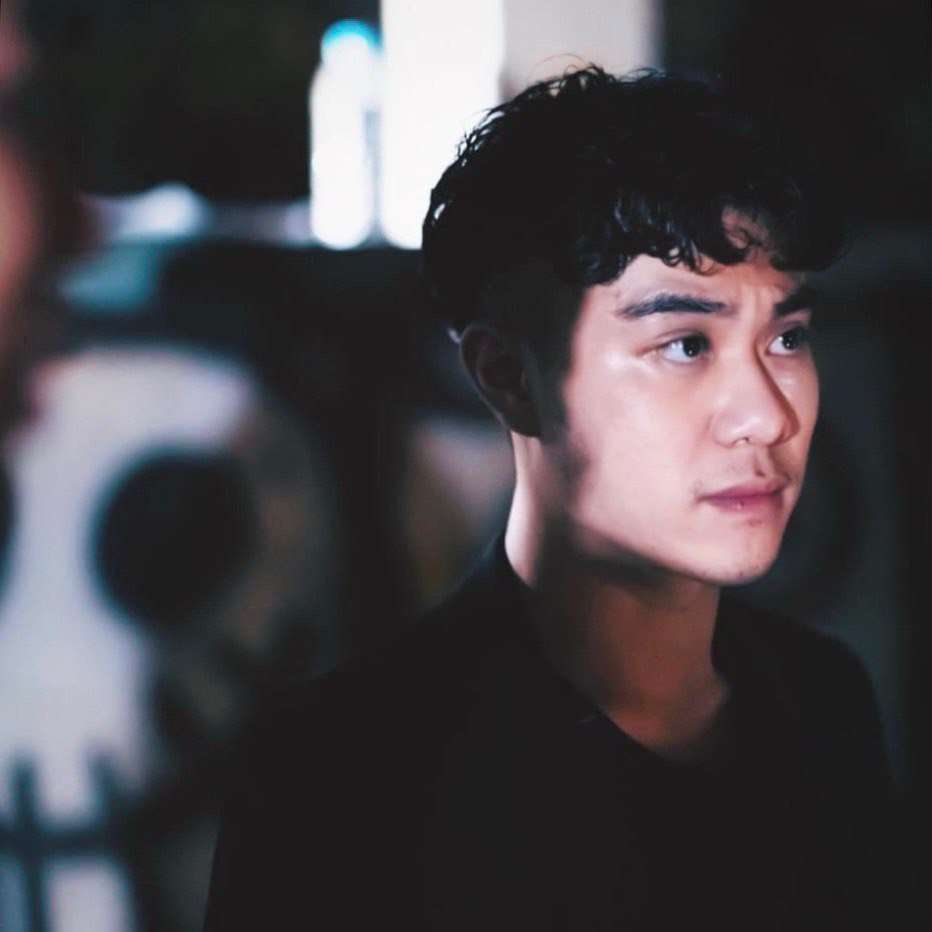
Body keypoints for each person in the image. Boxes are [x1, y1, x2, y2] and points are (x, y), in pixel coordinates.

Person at [204, 67, 902, 931]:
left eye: (787, 337)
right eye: (685, 345)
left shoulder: (821, 703)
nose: (766, 414)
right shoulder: (342, 779)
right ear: (509, 377)